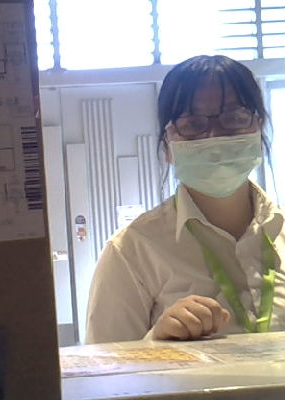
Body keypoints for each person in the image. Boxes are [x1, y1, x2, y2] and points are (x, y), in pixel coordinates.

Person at [86, 55, 285, 343]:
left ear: (258, 128)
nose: (214, 137)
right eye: (193, 124)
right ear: (167, 146)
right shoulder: (131, 252)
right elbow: (104, 367)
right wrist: (156, 341)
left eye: (233, 118)